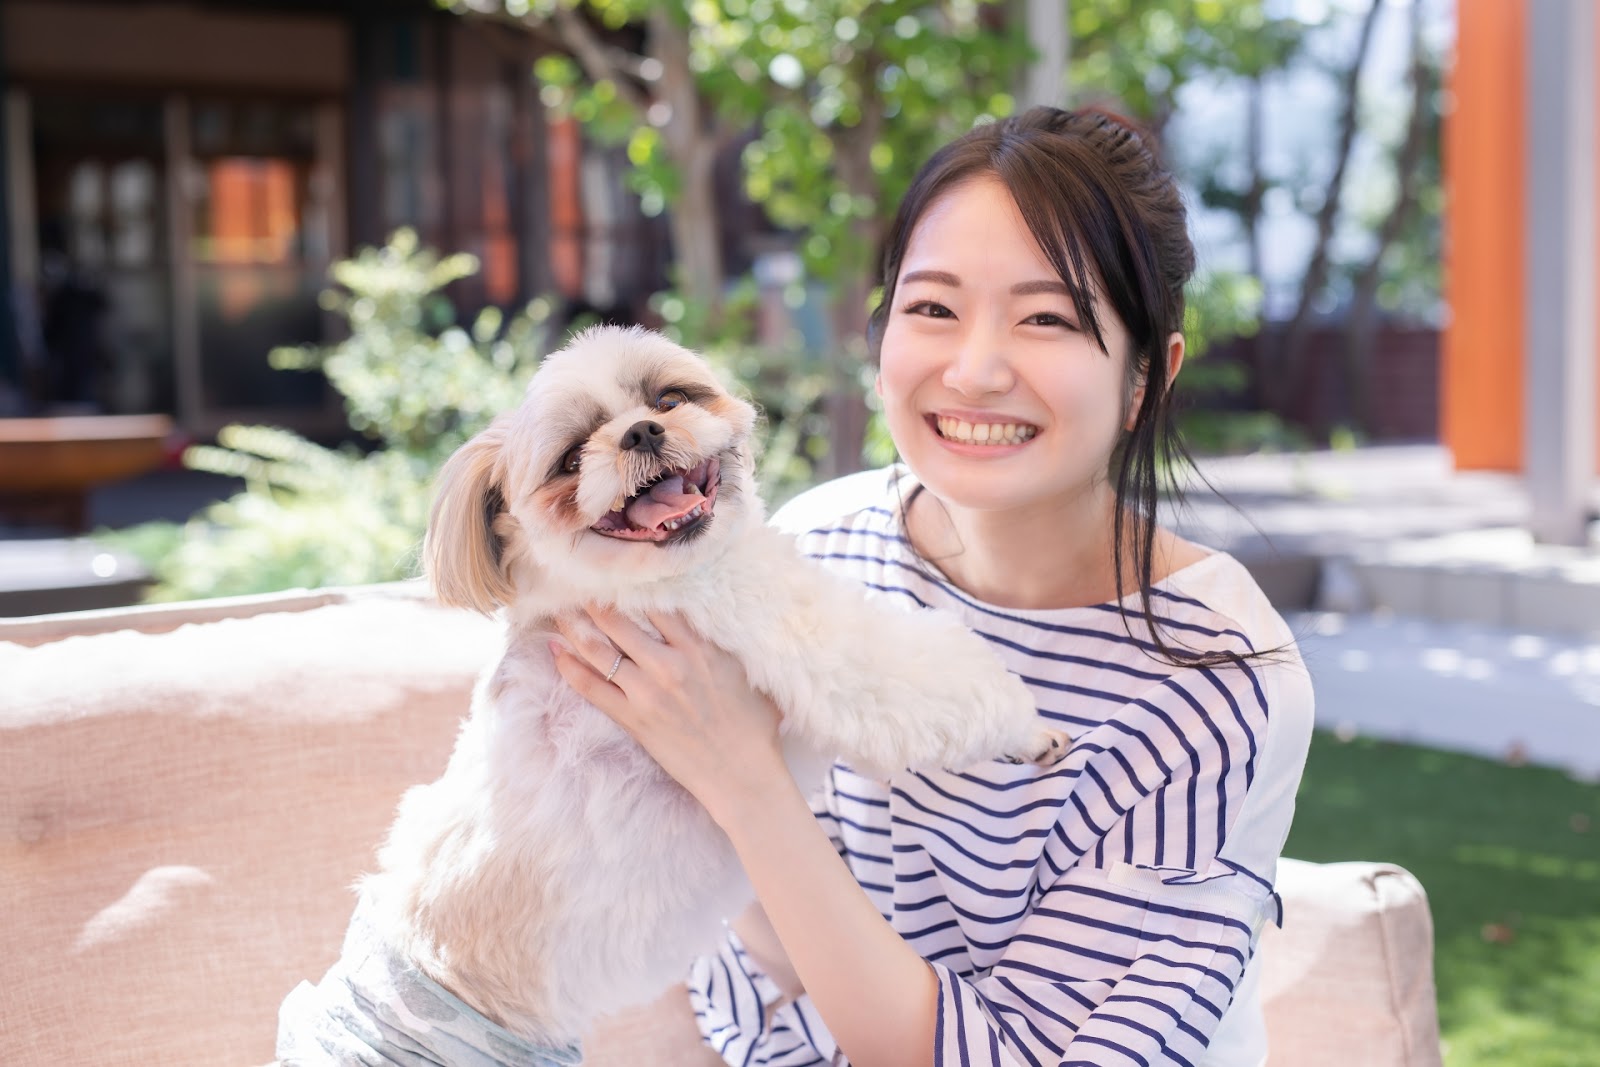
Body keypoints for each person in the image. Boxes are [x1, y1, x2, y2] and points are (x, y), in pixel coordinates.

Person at [551, 105, 1314, 1067]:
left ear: (1145, 379)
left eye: (1048, 317)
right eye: (933, 308)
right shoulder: (817, 543)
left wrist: (742, 780)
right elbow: (747, 964)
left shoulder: (1213, 678)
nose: (976, 368)